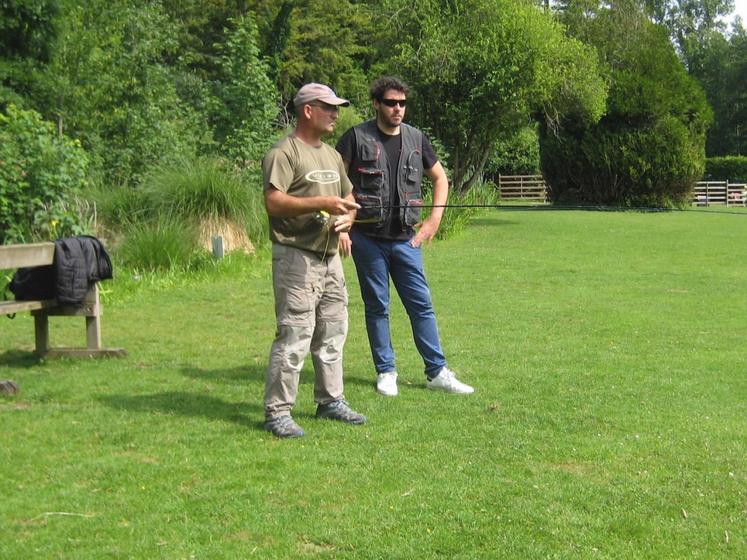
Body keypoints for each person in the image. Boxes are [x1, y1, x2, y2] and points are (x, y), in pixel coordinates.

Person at [336, 76, 474, 397]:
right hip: (367, 238)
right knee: (377, 306)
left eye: (402, 103)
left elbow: (440, 178)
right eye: (390, 103)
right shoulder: (356, 137)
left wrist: (434, 220)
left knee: (421, 305)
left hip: (406, 240)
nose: (397, 109)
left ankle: (436, 371)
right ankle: (386, 371)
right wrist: (342, 218)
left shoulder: (416, 139)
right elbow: (333, 177)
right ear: (376, 104)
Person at [262, 83, 366, 438]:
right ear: (308, 110)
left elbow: (348, 197)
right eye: (329, 107)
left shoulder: (332, 156)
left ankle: (330, 401)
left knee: (334, 330)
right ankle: (277, 412)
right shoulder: (284, 152)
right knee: (295, 334)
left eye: (337, 107)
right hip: (295, 257)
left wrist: (347, 221)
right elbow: (273, 202)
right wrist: (320, 205)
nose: (336, 113)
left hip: (331, 258)